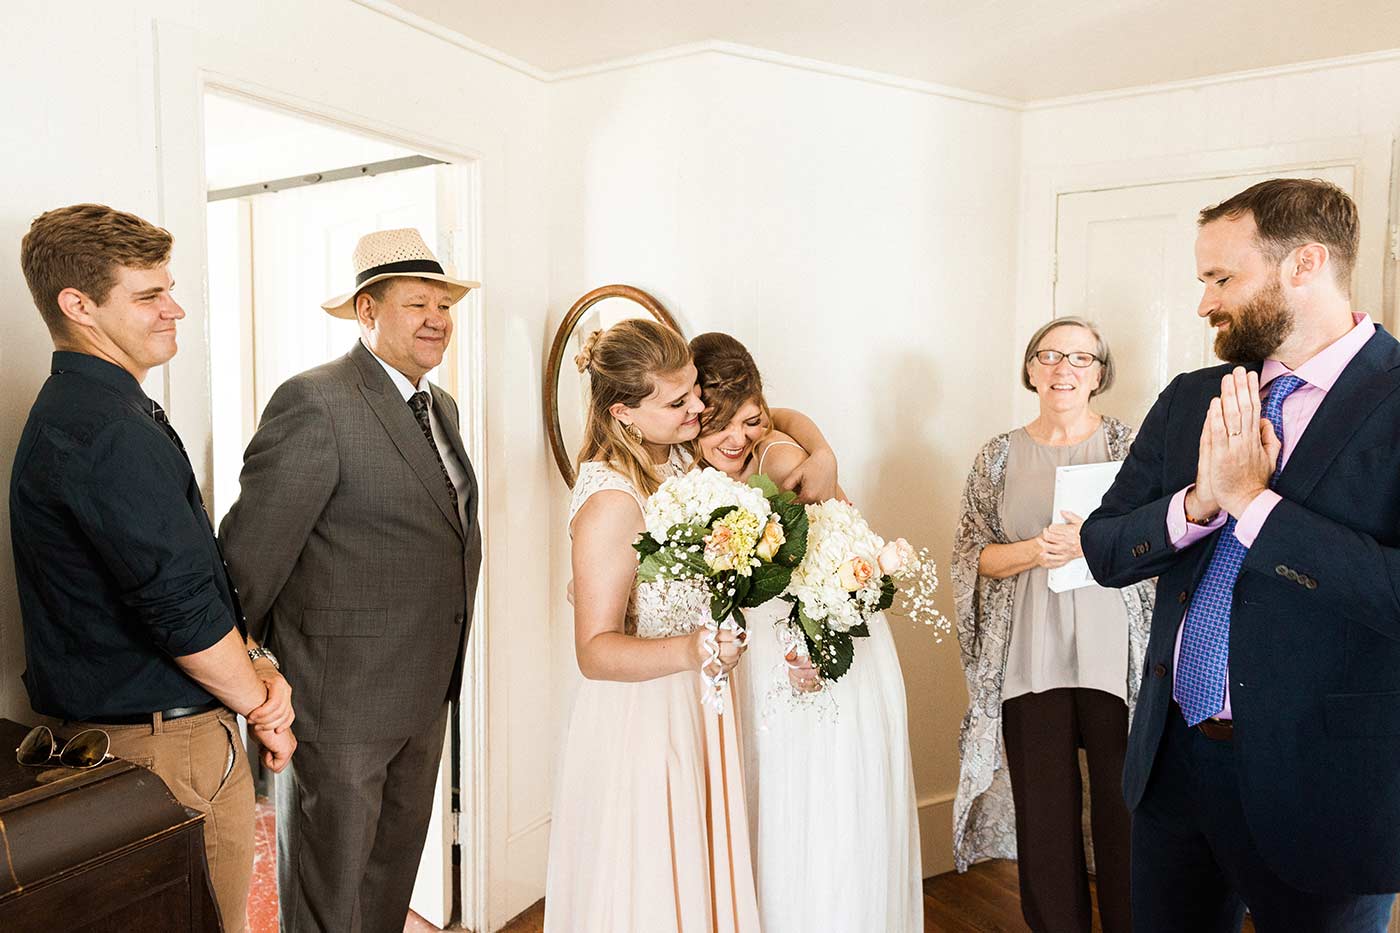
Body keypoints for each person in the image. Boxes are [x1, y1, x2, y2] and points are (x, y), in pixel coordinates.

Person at [1081, 178, 1400, 932]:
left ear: (1304, 264)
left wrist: (1254, 503)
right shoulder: (1193, 396)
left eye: (1222, 278)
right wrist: (1197, 504)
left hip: (1324, 793)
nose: (1204, 303)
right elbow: (1103, 546)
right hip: (1173, 772)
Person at [12, 203, 296, 933]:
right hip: (165, 749)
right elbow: (179, 611)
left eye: (169, 288)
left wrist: (258, 665)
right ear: (78, 306)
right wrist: (262, 700)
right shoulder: (103, 428)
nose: (175, 309)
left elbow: (196, 579)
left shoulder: (104, 409)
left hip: (163, 735)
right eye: (148, 295)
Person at [219, 228, 482, 933]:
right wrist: (250, 669)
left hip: (424, 694)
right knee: (326, 903)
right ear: (367, 311)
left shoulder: (442, 408)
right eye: (417, 303)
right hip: (338, 711)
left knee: (386, 889)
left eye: (445, 306)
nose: (437, 319)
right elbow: (247, 560)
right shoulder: (316, 403)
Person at [690, 331, 923, 933]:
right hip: (754, 653)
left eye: (747, 421)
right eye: (718, 424)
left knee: (816, 808)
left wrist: (818, 648)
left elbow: (848, 565)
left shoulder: (782, 461)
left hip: (815, 653)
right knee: (769, 808)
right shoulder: (697, 458)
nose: (735, 439)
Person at [545, 318, 765, 932]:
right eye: (679, 401)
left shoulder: (673, 467)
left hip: (698, 704)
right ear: (625, 413)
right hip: (642, 721)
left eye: (694, 389)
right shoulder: (613, 500)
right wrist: (694, 650)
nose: (699, 407)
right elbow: (594, 651)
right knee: (648, 889)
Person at [951, 317, 1151, 933]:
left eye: (1081, 358)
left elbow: (1160, 539)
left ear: (1099, 375)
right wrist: (1039, 550)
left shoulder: (1129, 445)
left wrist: (1096, 543)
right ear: (1031, 368)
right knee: (1045, 814)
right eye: (1050, 355)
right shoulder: (998, 454)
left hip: (1115, 660)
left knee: (1126, 813)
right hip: (1028, 662)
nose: (1064, 368)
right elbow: (970, 556)